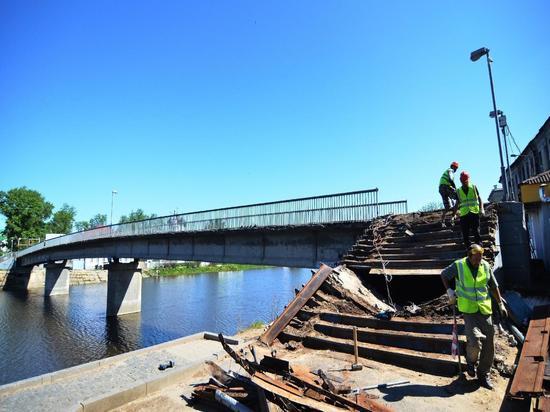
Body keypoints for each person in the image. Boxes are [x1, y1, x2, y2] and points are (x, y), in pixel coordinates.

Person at [440, 244, 508, 389]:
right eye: (476, 259)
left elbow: (493, 285)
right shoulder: (459, 265)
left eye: (480, 258)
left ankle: (484, 374)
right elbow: (444, 275)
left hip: (484, 309)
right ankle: (471, 361)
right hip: (469, 310)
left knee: (489, 343)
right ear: (469, 256)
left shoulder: (485, 266)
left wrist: (500, 303)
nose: (478, 261)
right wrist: (450, 291)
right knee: (474, 342)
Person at [453, 171, 484, 248]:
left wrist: (482, 209)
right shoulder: (458, 190)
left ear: (468, 179)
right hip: (464, 215)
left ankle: (479, 248)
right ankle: (469, 250)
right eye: (463, 181)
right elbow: (457, 203)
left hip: (474, 213)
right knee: (465, 234)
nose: (464, 182)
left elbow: (480, 198)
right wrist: (453, 215)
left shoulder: (473, 187)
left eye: (465, 180)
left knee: (476, 232)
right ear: (460, 181)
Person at [439, 162, 459, 227]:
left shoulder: (447, 171)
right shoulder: (450, 170)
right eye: (456, 168)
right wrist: (455, 188)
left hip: (441, 189)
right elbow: (450, 179)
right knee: (458, 198)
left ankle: (442, 222)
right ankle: (453, 217)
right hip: (446, 187)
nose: (456, 170)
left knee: (447, 207)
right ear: (454, 167)